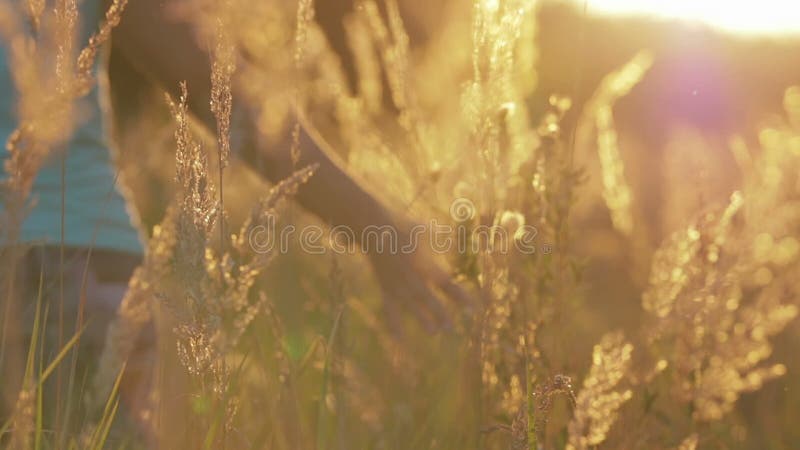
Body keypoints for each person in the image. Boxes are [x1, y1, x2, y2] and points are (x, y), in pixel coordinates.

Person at [0, 0, 470, 435]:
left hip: (64, 272)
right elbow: (213, 83)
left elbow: (217, 90)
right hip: (79, 268)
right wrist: (373, 224)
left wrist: (374, 225)